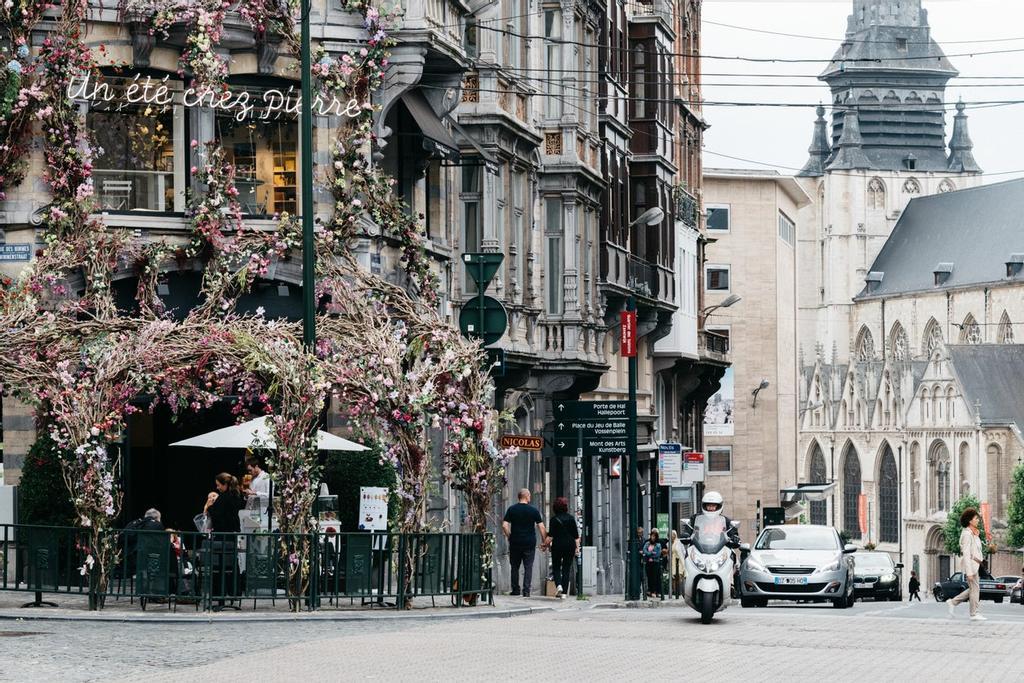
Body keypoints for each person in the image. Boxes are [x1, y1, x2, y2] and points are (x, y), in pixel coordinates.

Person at [502, 489, 547, 598]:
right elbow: (541, 527)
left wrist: (509, 536)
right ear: (527, 496)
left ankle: (515, 589)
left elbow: (504, 525)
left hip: (515, 542)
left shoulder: (512, 509)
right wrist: (545, 542)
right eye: (530, 495)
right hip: (529, 542)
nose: (530, 497)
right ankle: (526, 591)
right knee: (528, 567)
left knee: (514, 566)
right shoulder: (533, 510)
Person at [948, 507, 986, 621]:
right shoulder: (966, 534)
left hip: (976, 564)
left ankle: (952, 602)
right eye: (976, 518)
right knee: (975, 589)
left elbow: (977, 549)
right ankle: (973, 614)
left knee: (973, 588)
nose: (978, 520)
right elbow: (966, 553)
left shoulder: (972, 534)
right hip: (972, 565)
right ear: (970, 521)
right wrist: (969, 572)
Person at [544, 497, 579, 599]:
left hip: (558, 545)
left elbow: (550, 537)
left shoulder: (554, 520)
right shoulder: (571, 518)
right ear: (565, 507)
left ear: (555, 508)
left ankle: (558, 586)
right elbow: (576, 537)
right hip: (569, 545)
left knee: (556, 567)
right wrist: (577, 548)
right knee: (566, 568)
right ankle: (564, 594)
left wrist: (544, 545)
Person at [642, 529, 663, 599]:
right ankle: (650, 590)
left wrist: (650, 554)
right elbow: (644, 550)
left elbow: (658, 554)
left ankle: (655, 591)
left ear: (656, 537)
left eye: (654, 536)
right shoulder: (647, 543)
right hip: (648, 562)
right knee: (649, 577)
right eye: (652, 536)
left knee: (655, 577)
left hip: (655, 562)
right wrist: (650, 553)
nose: (652, 537)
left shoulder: (658, 545)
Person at [670, 530, 685, 599]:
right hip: (672, 561)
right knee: (673, 577)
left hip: (678, 561)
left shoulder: (679, 543)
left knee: (679, 576)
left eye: (673, 535)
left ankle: (679, 591)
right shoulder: (668, 543)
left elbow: (683, 552)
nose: (672, 536)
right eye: (671, 535)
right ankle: (674, 591)